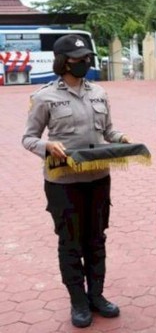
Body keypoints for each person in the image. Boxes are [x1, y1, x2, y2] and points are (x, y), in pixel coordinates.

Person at [22, 35, 130, 328]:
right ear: (62, 62)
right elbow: (28, 137)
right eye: (77, 60)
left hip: (98, 178)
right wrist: (47, 147)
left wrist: (121, 139)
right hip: (63, 183)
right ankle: (78, 301)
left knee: (96, 239)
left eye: (86, 59)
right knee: (70, 242)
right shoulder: (45, 97)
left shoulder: (99, 92)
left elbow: (108, 130)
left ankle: (97, 296)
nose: (84, 63)